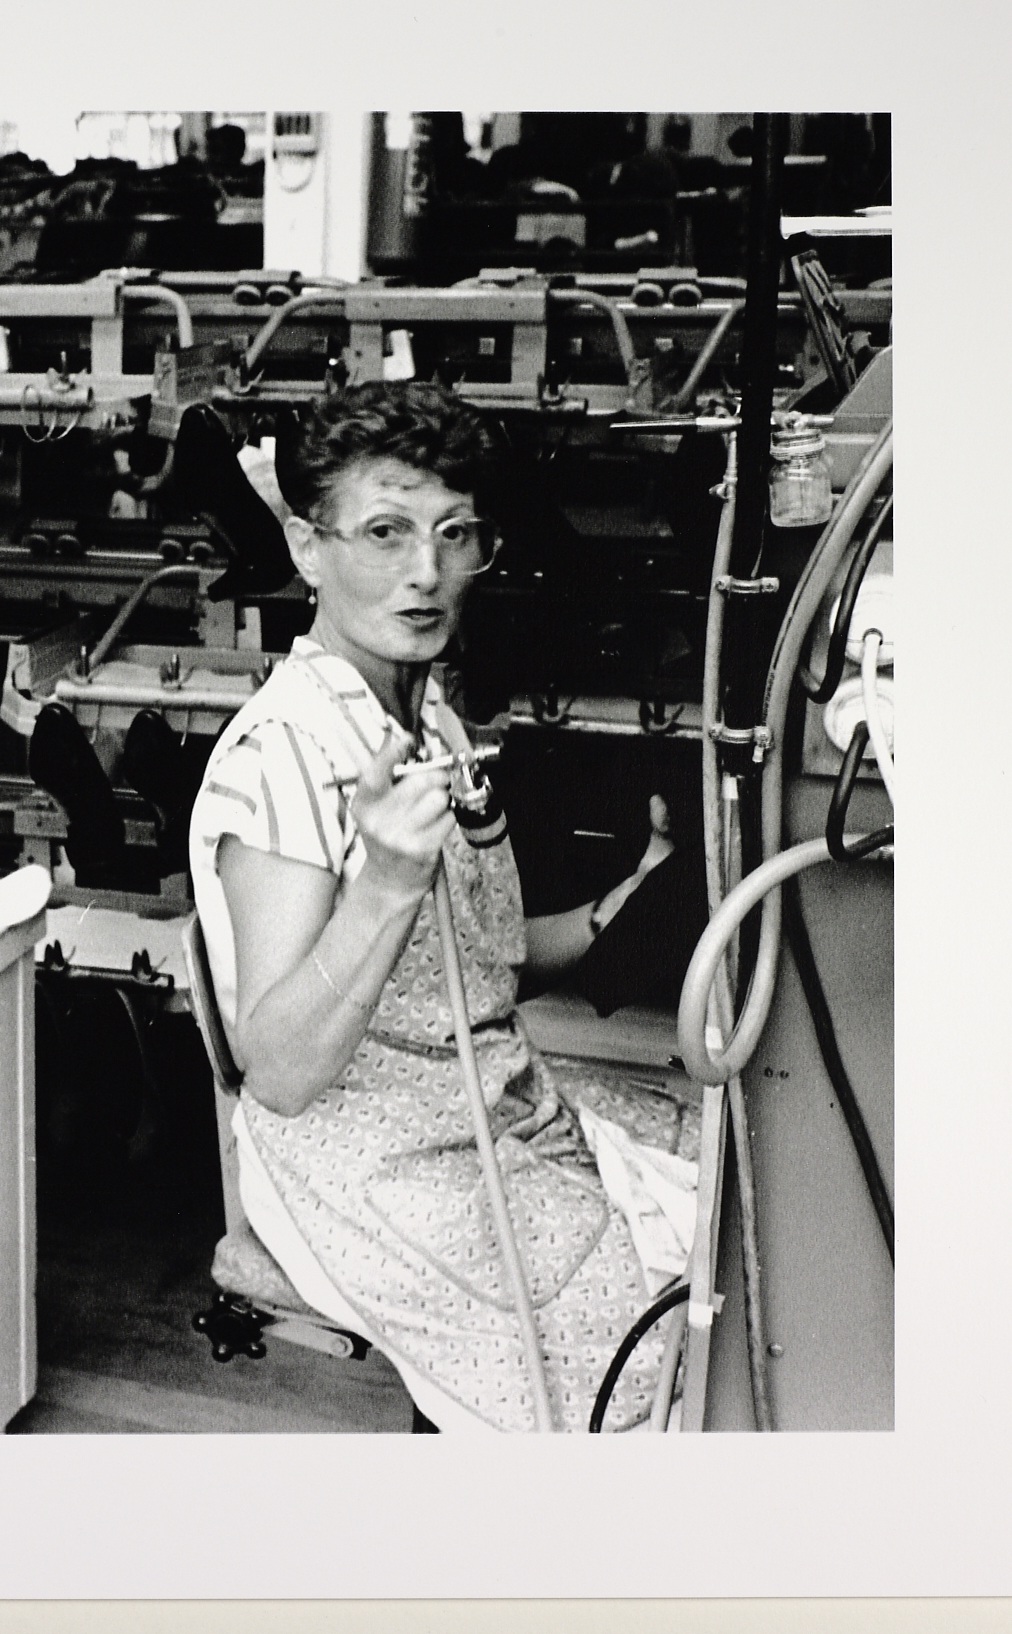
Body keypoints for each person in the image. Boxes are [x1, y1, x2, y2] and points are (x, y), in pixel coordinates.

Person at [187, 380, 683, 1432]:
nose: (424, 572)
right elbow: (276, 1067)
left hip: (486, 1106)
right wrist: (383, 883)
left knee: (714, 1185)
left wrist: (618, 909)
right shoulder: (284, 758)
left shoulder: (435, 724)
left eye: (453, 534)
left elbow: (476, 967)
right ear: (306, 547)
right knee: (650, 1344)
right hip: (360, 1157)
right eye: (383, 532)